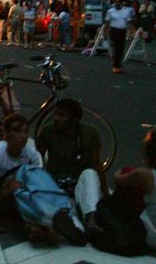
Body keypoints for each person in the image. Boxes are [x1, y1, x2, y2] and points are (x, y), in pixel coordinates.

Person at [36, 99, 107, 236]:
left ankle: (91, 220)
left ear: (74, 120)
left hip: (78, 183)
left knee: (90, 173)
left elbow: (97, 165)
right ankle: (74, 228)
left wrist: (105, 193)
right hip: (56, 183)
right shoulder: (48, 131)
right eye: (55, 114)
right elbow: (37, 159)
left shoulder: (89, 133)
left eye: (62, 116)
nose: (56, 119)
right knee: (67, 212)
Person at [0, 113, 43, 215]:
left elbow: (37, 183)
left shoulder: (32, 154)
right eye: (17, 131)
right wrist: (8, 189)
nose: (23, 136)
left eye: (25, 132)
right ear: (6, 134)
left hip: (20, 192)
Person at [104, 0, 135, 74]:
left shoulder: (125, 12)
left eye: (118, 2)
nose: (116, 4)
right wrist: (105, 32)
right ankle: (116, 66)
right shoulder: (110, 11)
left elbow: (129, 22)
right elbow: (107, 22)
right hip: (114, 30)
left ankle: (118, 64)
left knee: (121, 49)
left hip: (122, 31)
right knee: (116, 47)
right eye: (115, 2)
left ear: (121, 3)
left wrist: (131, 31)